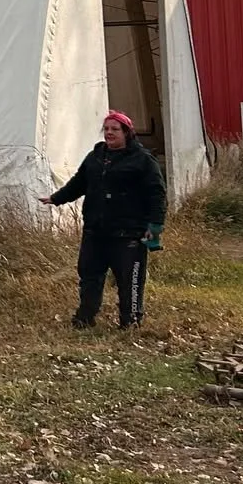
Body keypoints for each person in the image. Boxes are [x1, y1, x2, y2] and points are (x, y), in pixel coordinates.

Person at [39, 110, 166, 330]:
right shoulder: (95, 157)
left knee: (130, 281)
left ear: (127, 133)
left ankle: (130, 322)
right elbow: (79, 184)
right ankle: (85, 318)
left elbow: (157, 194)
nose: (109, 133)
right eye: (106, 129)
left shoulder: (143, 160)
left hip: (129, 234)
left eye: (114, 129)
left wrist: (155, 225)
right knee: (89, 276)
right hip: (95, 231)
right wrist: (56, 198)